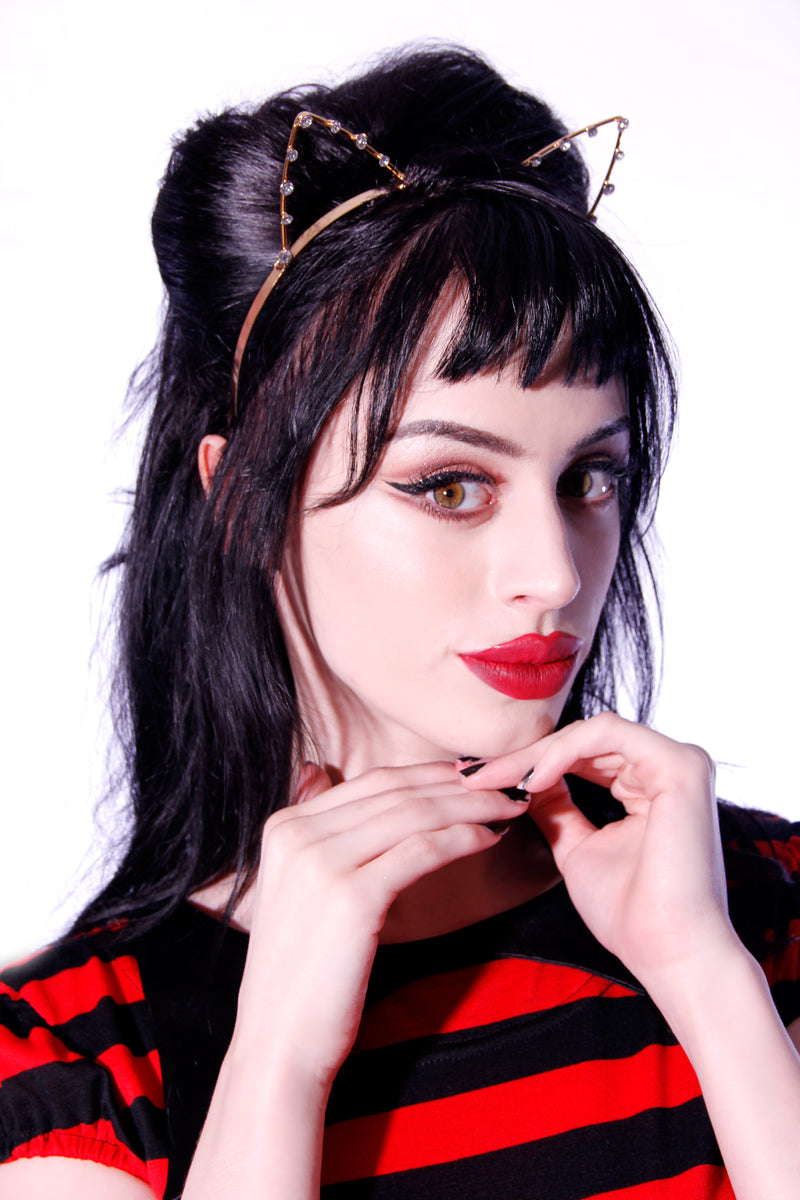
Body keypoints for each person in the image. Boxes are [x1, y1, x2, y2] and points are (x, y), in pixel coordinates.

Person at [1, 45, 798, 1200]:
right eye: (449, 485)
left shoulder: (760, 910)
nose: (551, 574)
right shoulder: (75, 1060)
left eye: (588, 478)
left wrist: (709, 985)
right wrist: (273, 1065)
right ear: (241, 500)